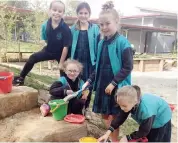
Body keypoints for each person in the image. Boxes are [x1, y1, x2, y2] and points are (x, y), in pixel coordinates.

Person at [82, 1, 133, 142]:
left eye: (107, 24)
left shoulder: (123, 43)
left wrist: (113, 83)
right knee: (104, 115)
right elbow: (97, 65)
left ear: (116, 22)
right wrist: (90, 80)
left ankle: (114, 140)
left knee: (115, 116)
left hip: (116, 87)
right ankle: (110, 137)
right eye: (101, 25)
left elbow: (128, 67)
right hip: (102, 86)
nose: (104, 28)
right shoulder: (101, 43)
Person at [13, 0, 72, 86]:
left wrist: (61, 63)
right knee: (32, 58)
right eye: (54, 10)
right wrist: (49, 54)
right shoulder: (45, 25)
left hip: (62, 53)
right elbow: (46, 40)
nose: (57, 13)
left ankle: (65, 89)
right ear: (49, 10)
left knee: (63, 72)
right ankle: (21, 78)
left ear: (63, 13)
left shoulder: (65, 28)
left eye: (60, 11)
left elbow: (66, 47)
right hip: (49, 50)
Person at [98, 85, 172, 142]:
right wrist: (107, 133)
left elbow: (144, 130)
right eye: (119, 105)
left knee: (156, 139)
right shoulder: (128, 102)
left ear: (135, 102)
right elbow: (120, 118)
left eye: (124, 106)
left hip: (161, 118)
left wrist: (128, 137)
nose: (121, 108)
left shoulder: (146, 111)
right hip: (150, 116)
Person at [70, 2, 100, 112]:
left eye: (86, 13)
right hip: (76, 62)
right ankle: (75, 107)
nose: (83, 15)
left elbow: (99, 45)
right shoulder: (73, 29)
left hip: (89, 62)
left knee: (88, 85)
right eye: (81, 13)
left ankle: (86, 108)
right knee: (75, 83)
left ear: (89, 14)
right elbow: (69, 46)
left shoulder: (95, 28)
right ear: (77, 14)